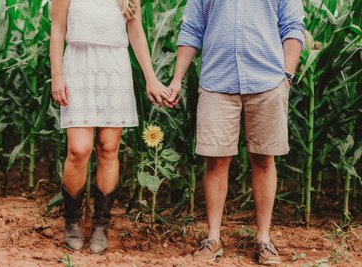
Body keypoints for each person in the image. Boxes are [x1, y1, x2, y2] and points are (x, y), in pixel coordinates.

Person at [166, 0, 305, 264]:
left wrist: (286, 75)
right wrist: (176, 80)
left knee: (264, 158)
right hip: (217, 81)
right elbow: (192, 29)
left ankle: (264, 239)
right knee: (216, 159)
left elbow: (293, 26)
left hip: (267, 81)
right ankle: (213, 237)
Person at [50, 0, 170, 254]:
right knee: (79, 150)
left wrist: (150, 78)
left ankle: (100, 226)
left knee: (108, 147)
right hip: (78, 68)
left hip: (114, 68)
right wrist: (57, 76)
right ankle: (72, 223)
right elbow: (58, 29)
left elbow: (136, 33)